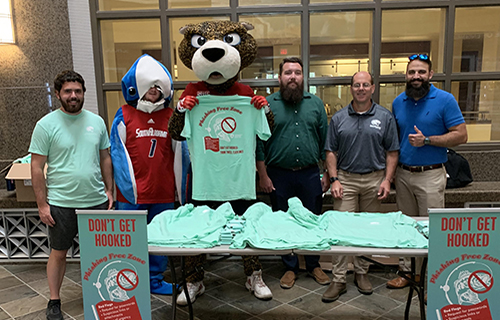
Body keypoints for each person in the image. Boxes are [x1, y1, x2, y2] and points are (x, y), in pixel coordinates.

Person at [30, 70, 113, 320]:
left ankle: (99, 296)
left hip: (95, 201)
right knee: (58, 252)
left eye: (78, 91)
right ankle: (54, 300)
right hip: (60, 203)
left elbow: (105, 157)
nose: (73, 95)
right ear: (58, 94)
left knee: (98, 253)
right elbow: (36, 167)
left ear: (84, 93)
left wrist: (110, 190)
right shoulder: (46, 125)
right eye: (68, 91)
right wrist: (42, 205)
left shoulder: (97, 121)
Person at [110, 54, 189, 295]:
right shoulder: (123, 114)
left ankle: (154, 280)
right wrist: (127, 189)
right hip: (131, 196)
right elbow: (117, 154)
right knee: (131, 243)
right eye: (149, 86)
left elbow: (181, 155)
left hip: (163, 192)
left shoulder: (171, 116)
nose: (153, 91)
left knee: (160, 243)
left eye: (158, 87)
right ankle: (129, 282)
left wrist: (181, 192)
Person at [387, 54, 467, 289]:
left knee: (432, 230)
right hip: (403, 175)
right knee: (407, 226)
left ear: (430, 75)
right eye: (412, 72)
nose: (416, 77)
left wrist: (428, 140)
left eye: (421, 72)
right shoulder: (398, 101)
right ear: (406, 75)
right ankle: (407, 273)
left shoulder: (445, 99)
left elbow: (461, 135)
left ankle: (433, 280)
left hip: (431, 175)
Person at [322, 71, 400, 302]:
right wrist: (334, 179)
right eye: (357, 85)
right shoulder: (338, 118)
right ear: (351, 89)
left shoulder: (385, 117)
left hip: (374, 180)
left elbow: (392, 152)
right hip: (345, 179)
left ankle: (362, 273)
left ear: (373, 88)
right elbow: (330, 152)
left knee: (367, 230)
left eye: (365, 85)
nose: (361, 89)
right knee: (341, 230)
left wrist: (387, 179)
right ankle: (338, 279)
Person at [256, 57, 331, 290]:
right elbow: (259, 142)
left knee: (312, 220)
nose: (292, 77)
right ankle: (289, 266)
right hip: (278, 175)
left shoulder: (316, 104)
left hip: (310, 174)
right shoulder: (267, 105)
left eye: (297, 73)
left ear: (302, 77)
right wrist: (263, 175)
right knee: (283, 221)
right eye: (288, 73)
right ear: (280, 77)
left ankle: (313, 264)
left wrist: (327, 173)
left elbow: (324, 142)